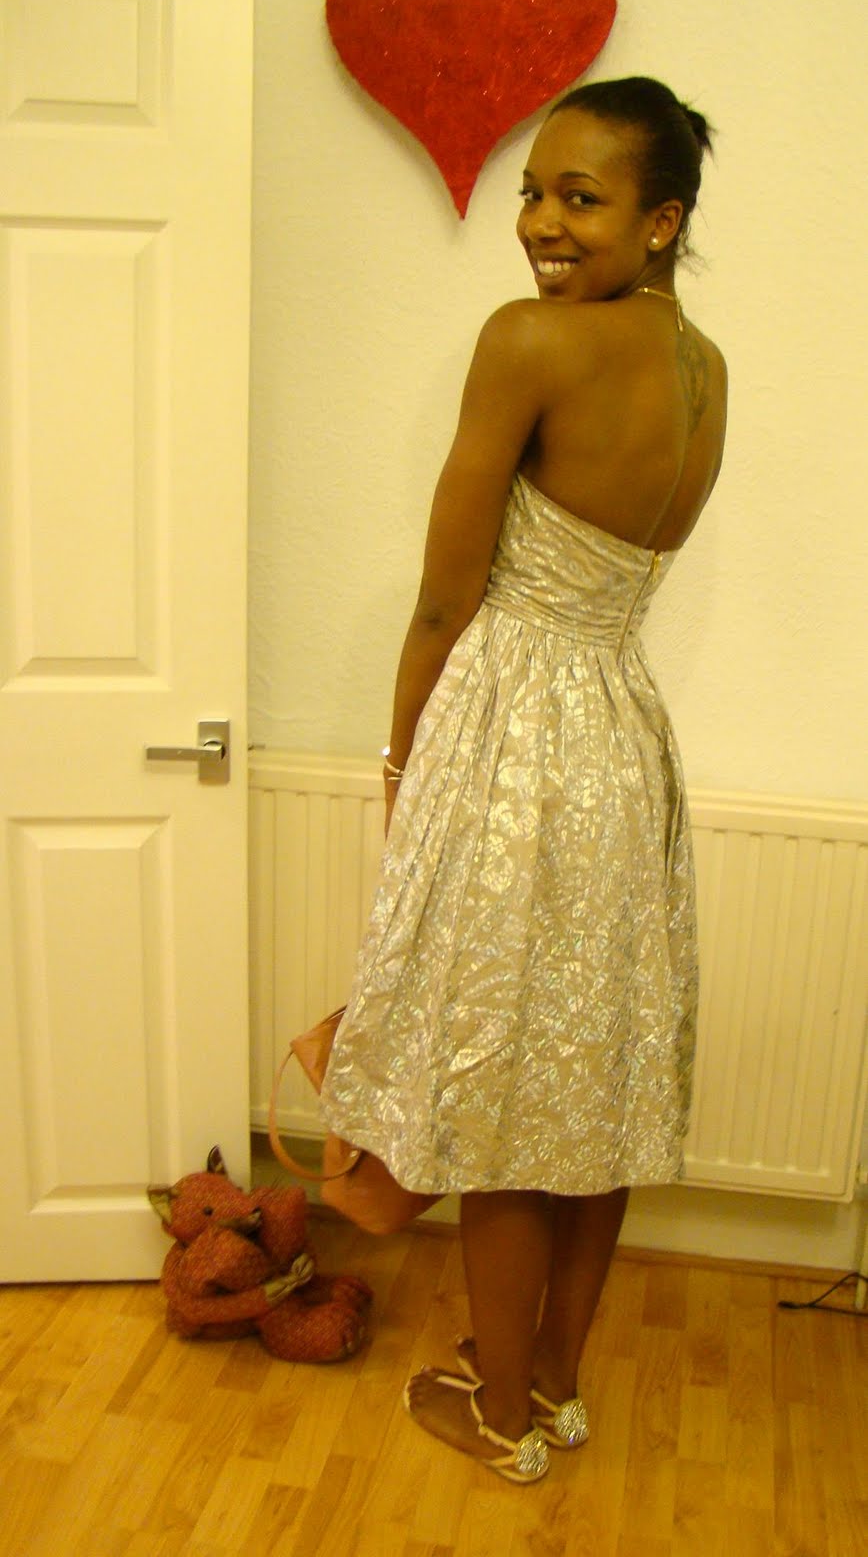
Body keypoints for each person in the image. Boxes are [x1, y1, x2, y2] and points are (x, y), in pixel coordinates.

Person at [320, 76, 728, 1483]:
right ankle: (553, 1380)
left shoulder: (529, 341)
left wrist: (403, 761)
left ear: (661, 220)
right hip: (622, 735)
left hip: (514, 739)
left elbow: (446, 601)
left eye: (582, 197)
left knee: (493, 1089)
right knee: (591, 1088)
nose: (543, 222)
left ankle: (499, 1418)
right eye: (534, 193)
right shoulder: (705, 368)